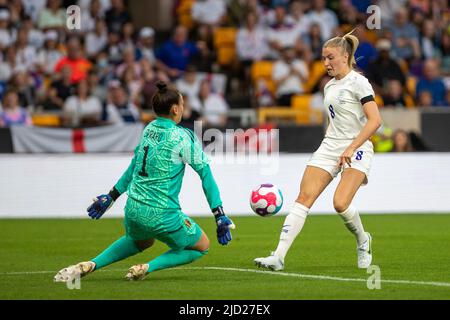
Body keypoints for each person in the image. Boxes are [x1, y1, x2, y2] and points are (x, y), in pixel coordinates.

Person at [54, 81, 235, 282]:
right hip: (162, 213)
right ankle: (147, 267)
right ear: (175, 109)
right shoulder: (183, 137)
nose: (184, 109)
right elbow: (205, 175)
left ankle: (92, 264)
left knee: (141, 241)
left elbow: (134, 165)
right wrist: (219, 214)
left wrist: (112, 195)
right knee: (202, 245)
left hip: (133, 209)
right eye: (182, 105)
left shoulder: (149, 129)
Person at [254, 30, 381, 271]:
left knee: (340, 203)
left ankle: (363, 240)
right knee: (303, 199)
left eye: (330, 57)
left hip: (358, 147)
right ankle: (278, 257)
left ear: (345, 56)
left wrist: (351, 148)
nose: (326, 63)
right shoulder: (329, 86)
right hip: (331, 147)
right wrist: (330, 147)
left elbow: (375, 121)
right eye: (323, 58)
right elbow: (336, 120)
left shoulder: (359, 82)